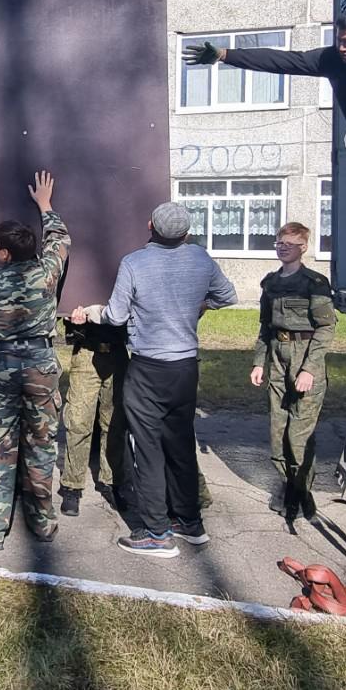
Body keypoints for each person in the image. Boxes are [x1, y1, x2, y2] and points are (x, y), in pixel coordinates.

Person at [70, 201, 236, 558]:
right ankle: (189, 522)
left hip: (148, 368)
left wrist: (94, 312)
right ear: (186, 232)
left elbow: (116, 316)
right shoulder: (201, 258)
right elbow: (228, 296)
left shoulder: (134, 263)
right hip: (186, 367)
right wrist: (197, 306)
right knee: (181, 445)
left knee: (147, 450)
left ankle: (157, 534)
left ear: (150, 226)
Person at [0, 171, 69, 552]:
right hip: (40, 365)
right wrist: (45, 205)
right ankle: (42, 524)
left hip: (3, 366)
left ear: (5, 253)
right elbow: (60, 240)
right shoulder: (47, 273)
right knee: (41, 444)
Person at [181, 5, 346, 129]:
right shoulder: (331, 59)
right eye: (338, 41)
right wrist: (224, 54)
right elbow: (282, 60)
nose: (342, 48)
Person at [251, 221, 336, 534]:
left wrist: (309, 369)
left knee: (298, 436)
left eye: (290, 244)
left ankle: (301, 492)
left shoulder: (315, 283)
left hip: (304, 357)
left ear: (304, 247)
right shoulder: (271, 283)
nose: (283, 248)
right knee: (278, 431)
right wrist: (259, 363)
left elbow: (326, 328)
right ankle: (288, 485)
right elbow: (265, 327)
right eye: (279, 243)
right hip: (277, 358)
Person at [58, 315, 128, 516]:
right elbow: (63, 305)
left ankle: (111, 481)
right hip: (86, 351)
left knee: (114, 423)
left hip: (118, 352)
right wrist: (70, 316)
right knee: (78, 421)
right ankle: (72, 485)